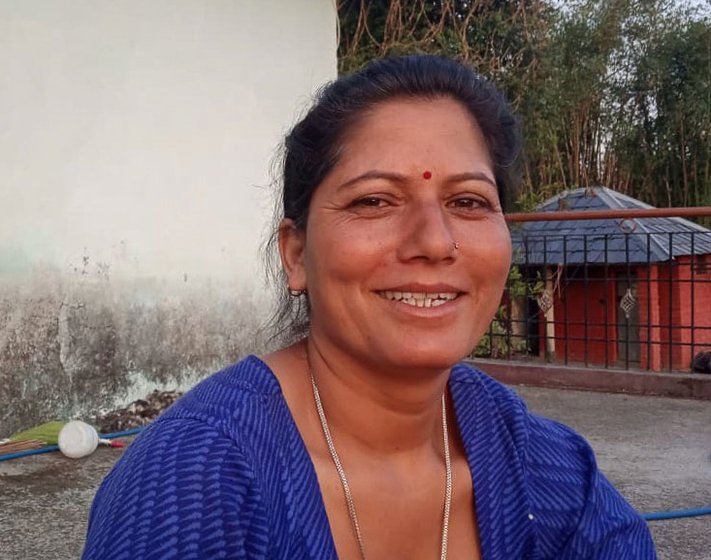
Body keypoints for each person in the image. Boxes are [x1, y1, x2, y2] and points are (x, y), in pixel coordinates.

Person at [83, 55, 656, 559]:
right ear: (297, 254)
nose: (434, 241)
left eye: (468, 201)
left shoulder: (543, 473)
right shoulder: (189, 493)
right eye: (375, 200)